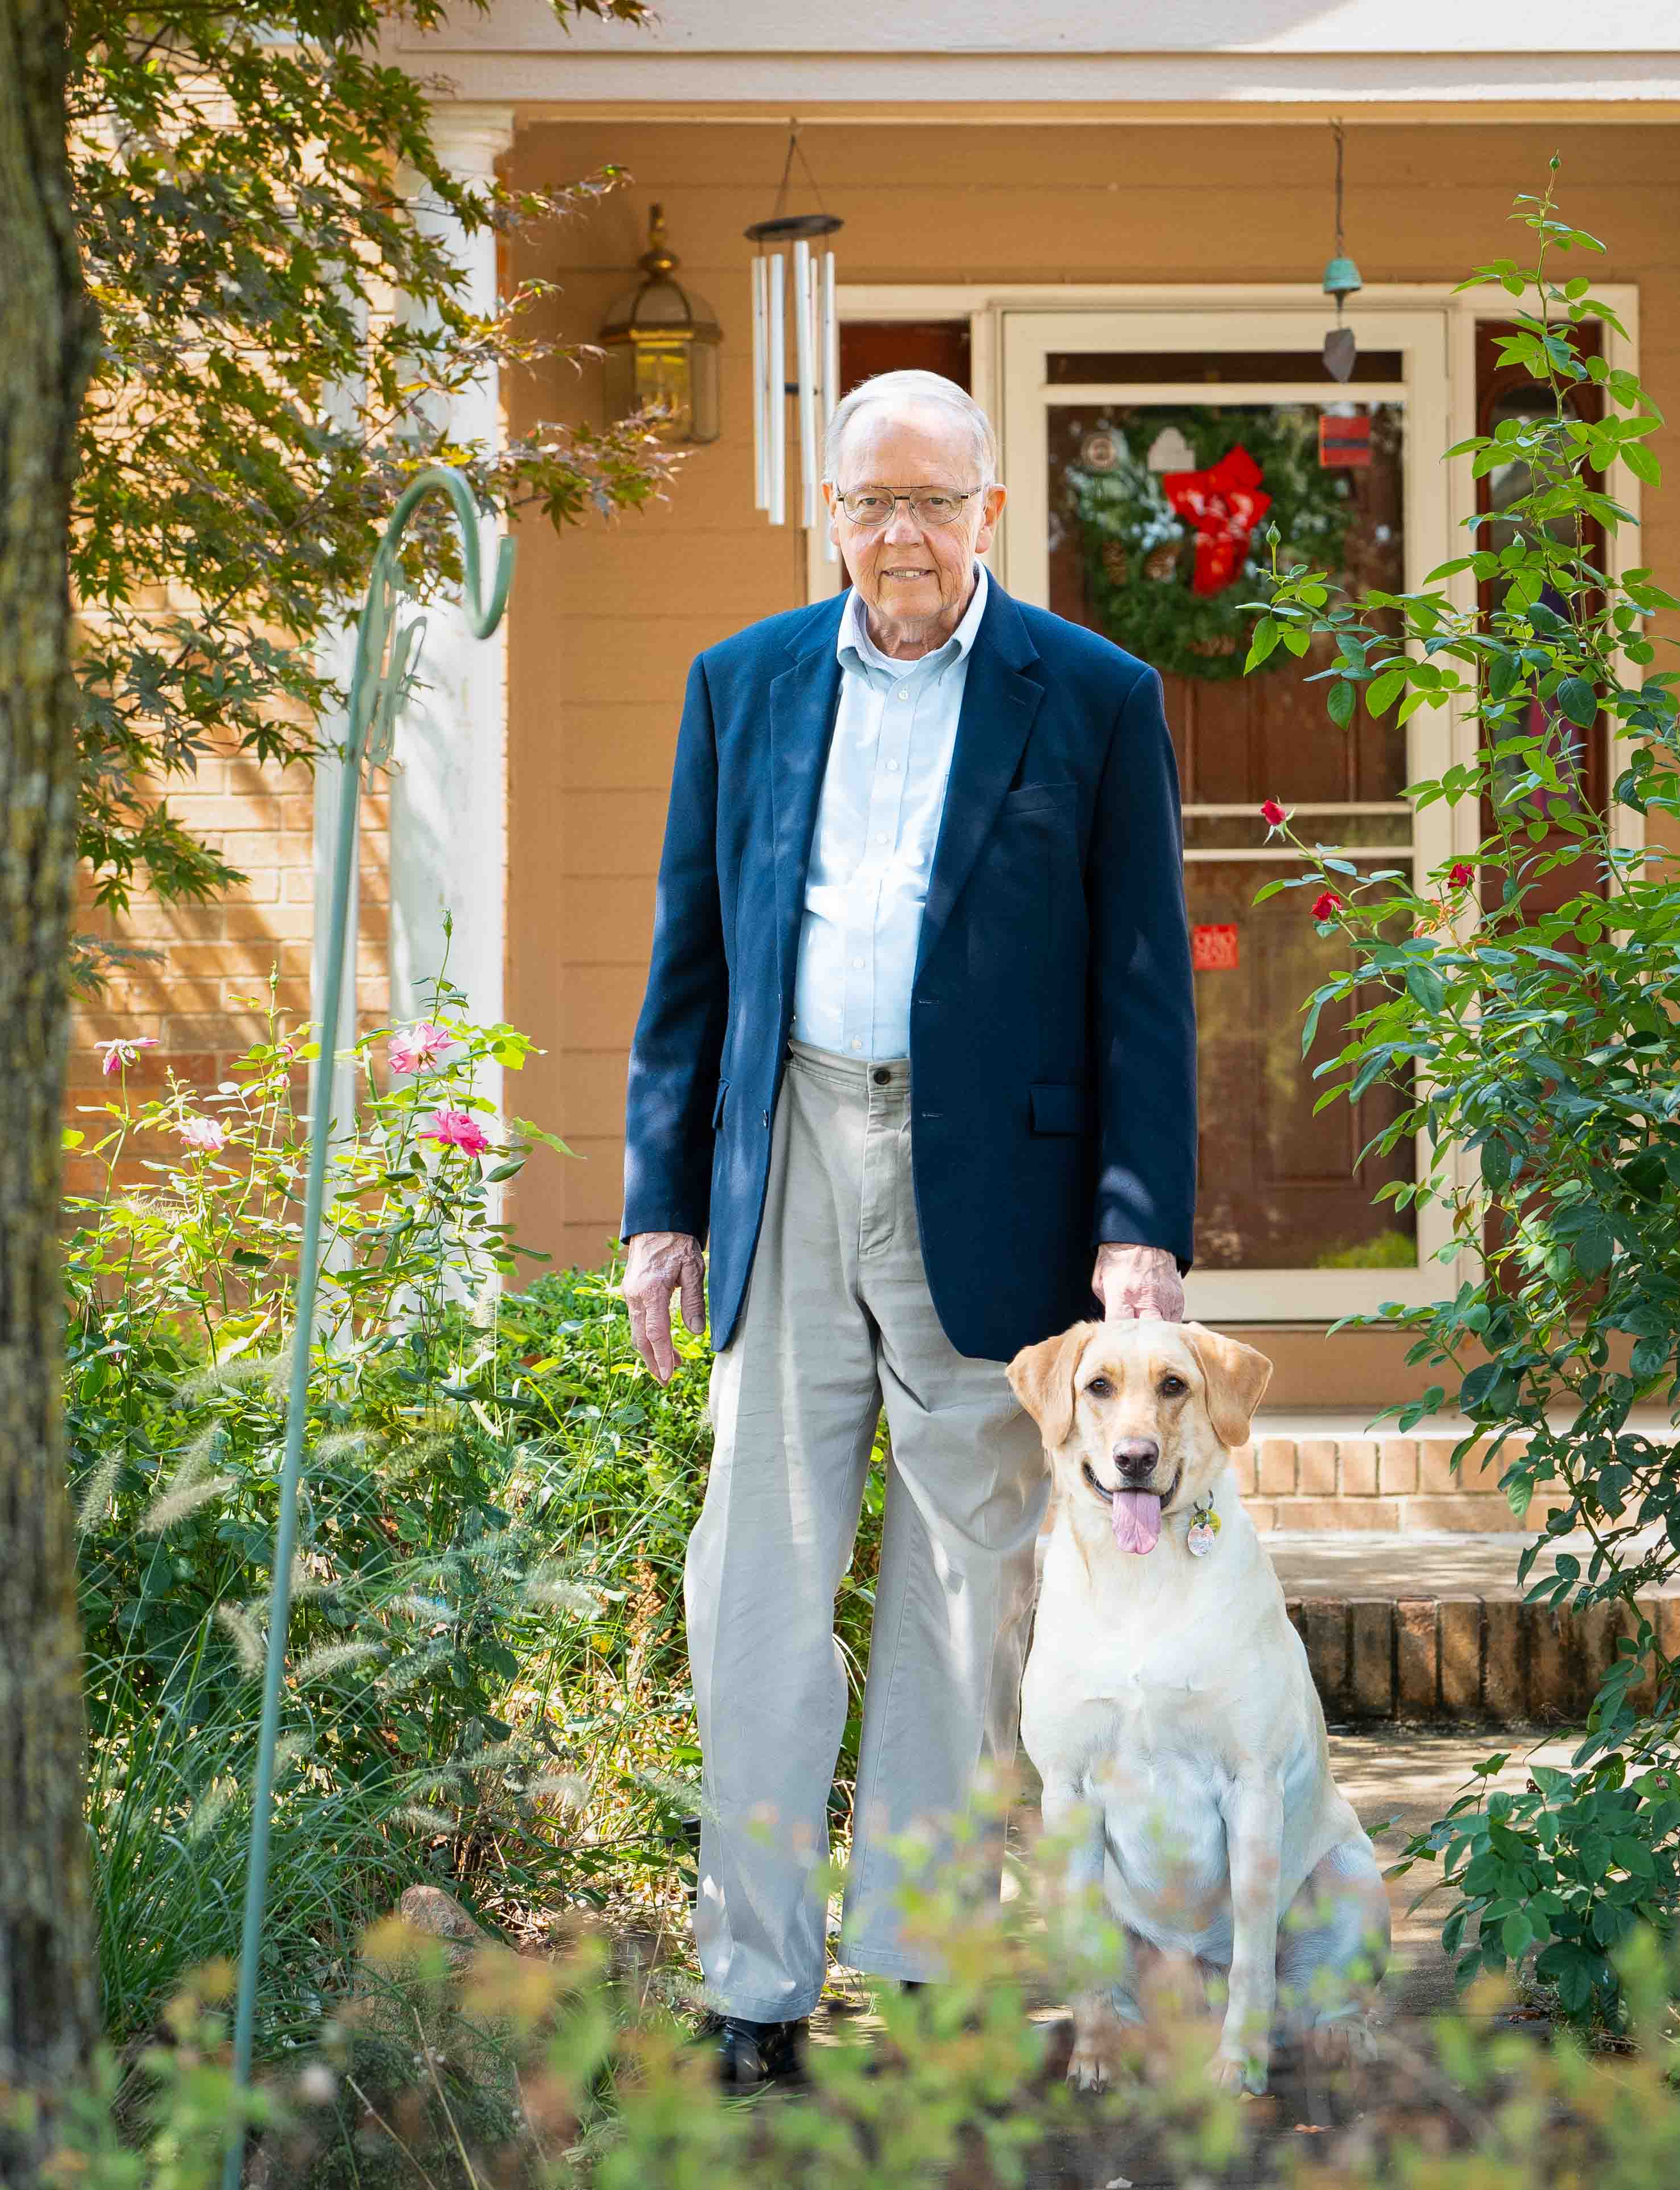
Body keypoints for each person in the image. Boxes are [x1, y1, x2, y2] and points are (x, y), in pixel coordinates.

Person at [619, 368, 1198, 2090]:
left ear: (990, 513)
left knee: (970, 1589)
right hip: (790, 1139)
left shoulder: (1090, 695)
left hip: (996, 1190)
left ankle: (936, 1962)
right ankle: (752, 1984)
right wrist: (662, 1209)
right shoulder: (744, 684)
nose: (900, 537)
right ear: (833, 517)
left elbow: (1141, 986)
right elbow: (689, 966)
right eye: (869, 503)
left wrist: (1134, 1232)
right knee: (759, 1579)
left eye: (932, 502)